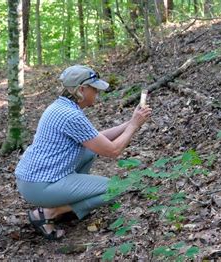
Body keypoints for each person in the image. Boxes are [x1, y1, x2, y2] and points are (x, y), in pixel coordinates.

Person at [14, 65, 152, 240]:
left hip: (32, 179)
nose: (97, 93)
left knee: (89, 151)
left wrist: (130, 122)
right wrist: (134, 126)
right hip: (39, 186)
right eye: (94, 89)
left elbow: (96, 138)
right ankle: (49, 212)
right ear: (81, 89)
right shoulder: (71, 116)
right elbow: (114, 150)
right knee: (116, 188)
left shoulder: (62, 107)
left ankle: (63, 204)